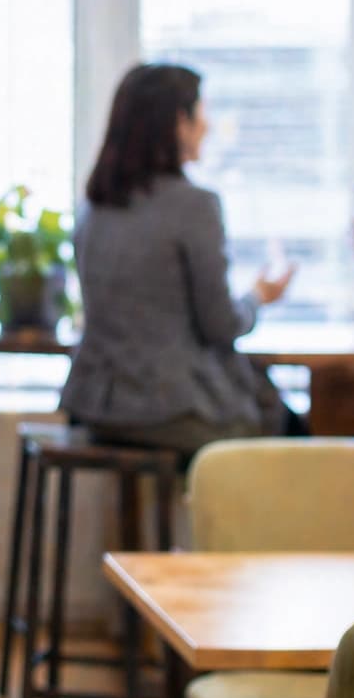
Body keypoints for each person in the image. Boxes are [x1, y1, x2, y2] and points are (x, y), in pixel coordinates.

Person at [61, 63, 298, 462]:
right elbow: (220, 325)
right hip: (167, 409)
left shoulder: (93, 207)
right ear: (178, 123)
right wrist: (258, 296)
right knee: (286, 432)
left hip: (95, 406)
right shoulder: (195, 206)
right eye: (201, 112)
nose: (207, 125)